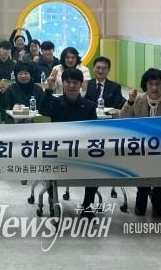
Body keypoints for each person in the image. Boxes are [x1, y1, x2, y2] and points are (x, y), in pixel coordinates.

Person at [120, 68, 161, 217]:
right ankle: (142, 193)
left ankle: (158, 197)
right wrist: (130, 101)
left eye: (158, 84)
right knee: (142, 167)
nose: (154, 87)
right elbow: (123, 118)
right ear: (145, 86)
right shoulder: (138, 101)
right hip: (140, 149)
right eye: (150, 84)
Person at [40, 68, 98, 218]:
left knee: (97, 167)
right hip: (59, 152)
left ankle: (87, 205)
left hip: (82, 152)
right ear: (63, 83)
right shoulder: (55, 102)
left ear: (81, 84)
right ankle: (53, 202)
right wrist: (49, 89)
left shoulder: (90, 105)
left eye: (75, 82)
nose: (71, 86)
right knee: (48, 167)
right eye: (68, 82)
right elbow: (43, 110)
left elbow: (94, 132)